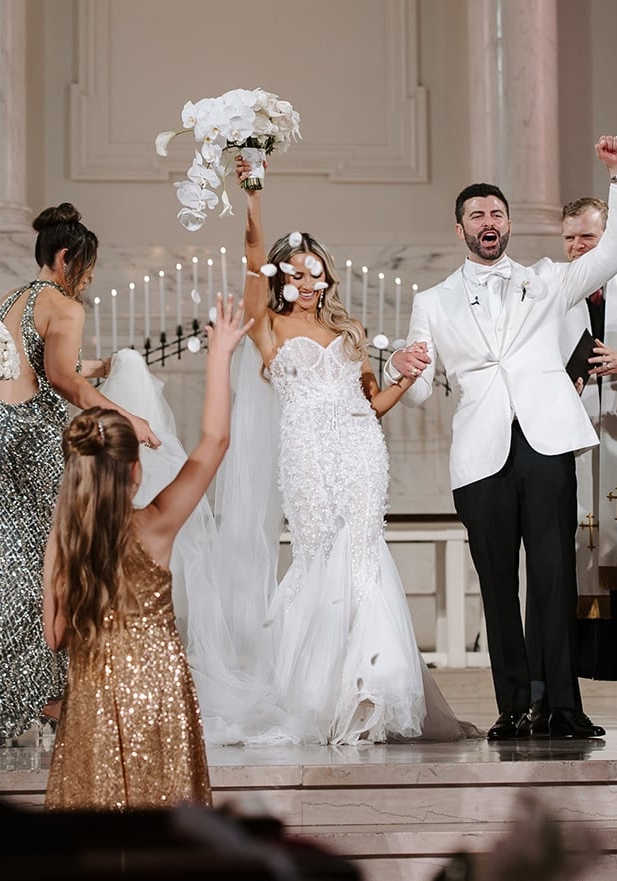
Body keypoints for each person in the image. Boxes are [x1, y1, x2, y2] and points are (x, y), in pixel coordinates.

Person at [384, 136, 617, 740]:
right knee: (499, 585)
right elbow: (420, 392)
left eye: (497, 213)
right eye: (478, 215)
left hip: (546, 443)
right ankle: (515, 707)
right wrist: (402, 367)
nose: (489, 222)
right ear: (460, 229)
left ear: (508, 224)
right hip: (480, 456)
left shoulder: (549, 279)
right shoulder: (433, 300)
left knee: (552, 576)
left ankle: (563, 707)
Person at [220, 154, 479, 745]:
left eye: (318, 276)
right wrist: (254, 195)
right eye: (298, 275)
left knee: (363, 551)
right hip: (306, 453)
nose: (310, 286)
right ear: (282, 278)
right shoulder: (267, 326)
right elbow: (251, 255)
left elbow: (374, 405)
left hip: (362, 451)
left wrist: (407, 375)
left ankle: (371, 690)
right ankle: (315, 693)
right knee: (318, 552)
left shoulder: (347, 333)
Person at [42, 293, 250, 810]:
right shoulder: (155, 527)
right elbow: (213, 443)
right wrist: (220, 355)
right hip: (159, 702)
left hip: (91, 704)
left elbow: (54, 636)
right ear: (136, 470)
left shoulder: (64, 541)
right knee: (163, 828)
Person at [0, 202, 160, 746]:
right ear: (66, 258)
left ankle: (28, 693)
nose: (86, 283)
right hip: (31, 441)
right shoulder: (64, 306)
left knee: (11, 558)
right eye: (85, 271)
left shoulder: (13, 300)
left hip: (2, 431)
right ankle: (43, 697)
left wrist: (99, 368)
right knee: (47, 562)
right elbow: (63, 383)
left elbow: (36, 368)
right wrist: (126, 417)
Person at [526, 196, 617, 734]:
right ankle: (552, 696)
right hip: (566, 460)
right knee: (555, 572)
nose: (578, 249)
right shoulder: (549, 300)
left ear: (614, 240)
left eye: (589, 239)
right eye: (570, 240)